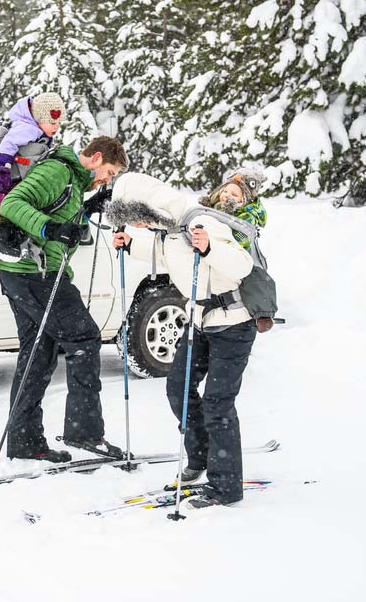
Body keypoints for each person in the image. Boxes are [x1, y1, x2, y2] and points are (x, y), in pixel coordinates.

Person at [109, 172, 257, 507]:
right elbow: (168, 256)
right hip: (200, 322)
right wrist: (131, 245)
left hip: (233, 324)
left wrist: (209, 249)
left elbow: (241, 266)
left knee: (218, 404)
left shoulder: (204, 222)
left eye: (140, 220)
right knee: (178, 387)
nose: (139, 225)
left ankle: (226, 486)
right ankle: (201, 458)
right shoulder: (171, 230)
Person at [0, 136, 128, 463]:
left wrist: (86, 210)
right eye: (109, 172)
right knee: (84, 336)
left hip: (25, 273)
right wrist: (49, 231)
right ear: (96, 158)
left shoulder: (73, 181)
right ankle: (85, 433)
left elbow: (61, 223)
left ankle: (25, 441)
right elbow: (11, 205)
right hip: (36, 273)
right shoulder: (58, 170)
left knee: (37, 355)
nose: (107, 179)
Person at [0, 92, 66, 219]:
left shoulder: (39, 131)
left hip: (19, 175)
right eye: (52, 122)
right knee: (4, 198)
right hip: (10, 176)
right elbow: (8, 144)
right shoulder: (27, 128)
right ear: (39, 118)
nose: (57, 126)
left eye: (59, 122)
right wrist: (4, 169)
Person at [198, 167, 268, 251]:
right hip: (208, 246)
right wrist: (208, 207)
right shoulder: (217, 206)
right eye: (225, 191)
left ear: (243, 201)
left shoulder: (247, 216)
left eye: (234, 195)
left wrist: (227, 213)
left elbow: (240, 243)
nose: (227, 195)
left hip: (234, 255)